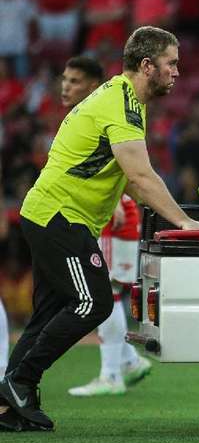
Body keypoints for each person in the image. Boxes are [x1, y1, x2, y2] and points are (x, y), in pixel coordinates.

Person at [0, 27, 199, 432]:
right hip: (60, 217)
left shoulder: (125, 100)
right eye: (171, 63)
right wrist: (181, 219)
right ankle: (19, 383)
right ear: (147, 66)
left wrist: (169, 209)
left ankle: (8, 406)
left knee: (47, 313)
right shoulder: (122, 103)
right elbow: (140, 176)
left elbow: (128, 178)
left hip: (49, 214)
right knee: (92, 302)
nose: (177, 72)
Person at [57, 56, 154, 397]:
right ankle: (127, 361)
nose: (65, 86)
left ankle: (112, 374)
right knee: (102, 292)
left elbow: (122, 162)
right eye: (64, 80)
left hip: (113, 213)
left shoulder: (104, 110)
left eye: (74, 81)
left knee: (104, 293)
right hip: (108, 212)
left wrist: (114, 201)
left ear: (93, 84)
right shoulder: (93, 112)